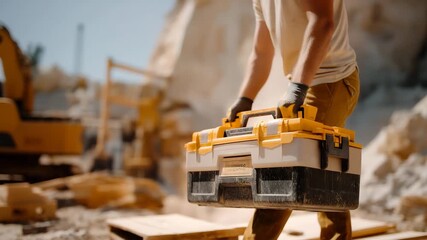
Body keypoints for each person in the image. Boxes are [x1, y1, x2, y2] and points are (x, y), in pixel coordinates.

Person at [227, 0, 360, 239]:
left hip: (331, 80)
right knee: (323, 166)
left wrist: (298, 87)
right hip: (308, 83)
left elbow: (323, 23)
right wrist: (245, 98)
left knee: (285, 168)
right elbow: (261, 51)